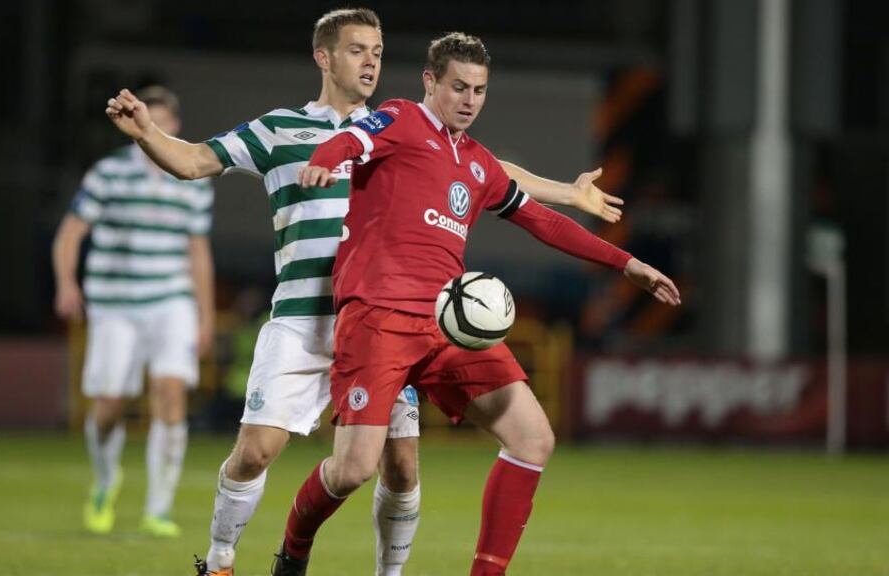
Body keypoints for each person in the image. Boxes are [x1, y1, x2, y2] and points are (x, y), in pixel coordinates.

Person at [105, 9, 623, 575]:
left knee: (401, 467)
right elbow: (197, 159)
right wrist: (149, 134)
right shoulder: (280, 129)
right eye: (357, 50)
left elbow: (486, 168)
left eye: (377, 50)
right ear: (323, 57)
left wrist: (569, 195)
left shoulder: (400, 129)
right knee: (256, 452)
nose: (372, 60)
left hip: (383, 321)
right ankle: (222, 560)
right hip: (305, 318)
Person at [275, 32, 681, 575]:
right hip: (378, 319)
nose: (469, 100)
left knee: (533, 438)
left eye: (480, 90)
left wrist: (626, 264)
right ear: (430, 82)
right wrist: (325, 158)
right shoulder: (399, 119)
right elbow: (349, 141)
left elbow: (544, 222)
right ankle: (294, 550)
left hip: (448, 326)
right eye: (459, 87)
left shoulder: (479, 163)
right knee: (353, 470)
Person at [53, 85, 216, 538]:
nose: (156, 128)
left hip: (170, 302)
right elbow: (70, 233)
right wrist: (67, 283)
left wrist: (203, 315)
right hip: (115, 306)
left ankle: (158, 508)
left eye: (164, 121)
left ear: (175, 125)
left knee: (170, 395)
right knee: (108, 408)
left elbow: (197, 252)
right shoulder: (109, 174)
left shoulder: (191, 176)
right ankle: (106, 480)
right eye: (150, 118)